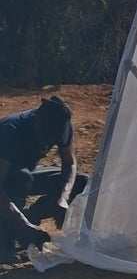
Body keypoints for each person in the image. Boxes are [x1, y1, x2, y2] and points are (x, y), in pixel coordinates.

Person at [0, 95, 87, 258]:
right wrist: (22, 225)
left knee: (81, 182)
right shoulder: (10, 130)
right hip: (7, 177)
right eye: (46, 135)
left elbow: (70, 163)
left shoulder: (60, 124)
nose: (49, 140)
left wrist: (63, 198)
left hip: (28, 173)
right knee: (21, 178)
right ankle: (6, 239)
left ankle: (31, 217)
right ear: (36, 120)